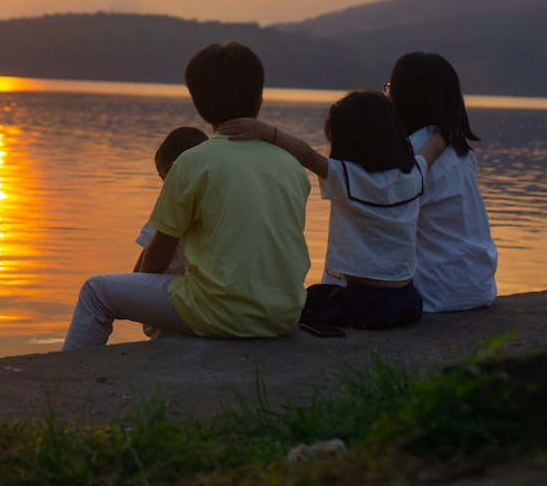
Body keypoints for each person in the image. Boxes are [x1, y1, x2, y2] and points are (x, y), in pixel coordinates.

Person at [62, 42, 312, 350]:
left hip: (219, 314)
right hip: (283, 315)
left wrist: (139, 296)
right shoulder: (291, 165)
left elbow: (159, 253)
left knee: (96, 292)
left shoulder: (193, 162)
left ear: (198, 105)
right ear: (259, 100)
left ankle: (64, 385)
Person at [219, 90, 444, 331]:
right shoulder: (414, 175)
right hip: (407, 301)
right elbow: (435, 146)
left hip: (361, 303)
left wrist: (266, 132)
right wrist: (449, 127)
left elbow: (306, 155)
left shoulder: (348, 177)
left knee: (289, 305)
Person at [388, 51, 498, 312]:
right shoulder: (461, 152)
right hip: (478, 286)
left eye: (391, 89)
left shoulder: (410, 152)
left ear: (405, 97)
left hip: (436, 292)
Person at [132, 126, 208, 338]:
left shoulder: (171, 206)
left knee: (97, 290)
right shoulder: (216, 206)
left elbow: (140, 274)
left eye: (163, 177)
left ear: (175, 169)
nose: (164, 186)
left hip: (172, 311)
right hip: (210, 305)